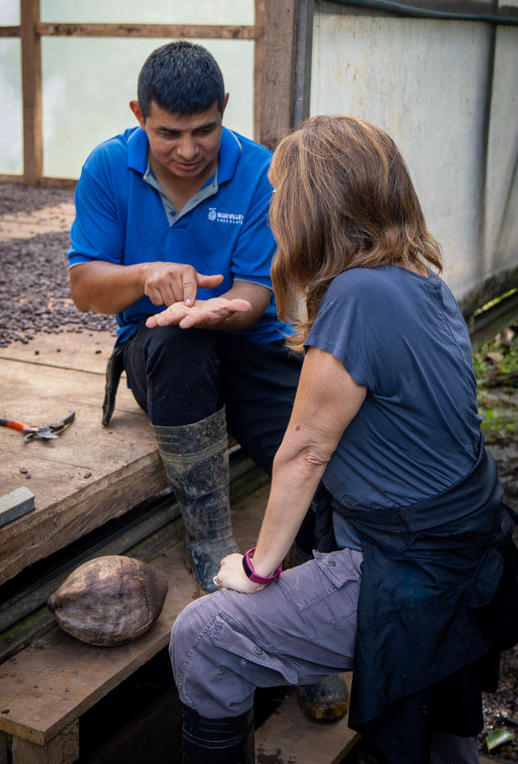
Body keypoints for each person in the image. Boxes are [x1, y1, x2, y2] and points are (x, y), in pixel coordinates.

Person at [168, 115, 518, 764]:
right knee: (444, 736)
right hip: (472, 552)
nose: (269, 207)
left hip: (409, 568)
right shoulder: (421, 281)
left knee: (203, 634)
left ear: (309, 208)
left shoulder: (356, 295)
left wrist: (255, 568)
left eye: (278, 194)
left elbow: (304, 452)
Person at [68, 40, 303, 594]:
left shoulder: (260, 172)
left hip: (249, 344)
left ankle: (321, 581)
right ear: (138, 115)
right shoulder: (106, 167)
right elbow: (84, 289)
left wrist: (219, 312)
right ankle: (209, 536)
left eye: (204, 129)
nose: (188, 149)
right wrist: (143, 275)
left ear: (223, 106)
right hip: (160, 353)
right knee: (178, 338)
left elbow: (256, 292)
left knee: (313, 450)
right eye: (168, 133)